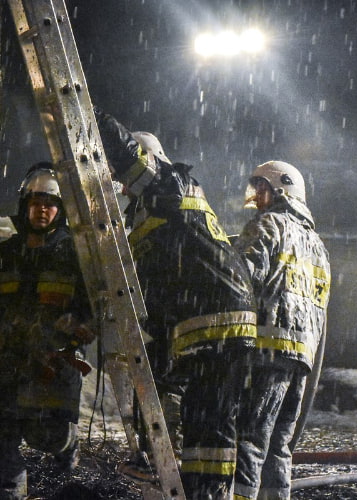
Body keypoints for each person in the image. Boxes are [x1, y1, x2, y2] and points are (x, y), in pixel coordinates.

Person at [95, 109, 257, 499]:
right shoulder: (154, 212)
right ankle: (200, 489)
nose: (119, 184)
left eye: (119, 177)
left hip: (217, 317)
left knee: (212, 420)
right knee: (201, 415)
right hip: (200, 318)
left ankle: (209, 493)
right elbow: (162, 287)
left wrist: (89, 116)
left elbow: (124, 151)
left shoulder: (168, 184)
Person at [232, 161, 330, 500]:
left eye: (262, 188)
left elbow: (240, 279)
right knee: (279, 446)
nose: (257, 197)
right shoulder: (317, 244)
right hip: (302, 359)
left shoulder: (268, 225)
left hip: (266, 353)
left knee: (249, 438)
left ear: (281, 191)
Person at [0, 163, 96, 499]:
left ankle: (67, 448)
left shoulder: (75, 253)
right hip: (9, 358)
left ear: (61, 209)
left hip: (56, 360)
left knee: (46, 436)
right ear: (24, 204)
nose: (42, 209)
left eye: (50, 203)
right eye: (36, 201)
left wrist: (84, 325)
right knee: (3, 434)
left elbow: (96, 303)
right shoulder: (7, 252)